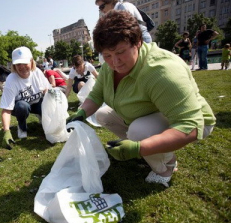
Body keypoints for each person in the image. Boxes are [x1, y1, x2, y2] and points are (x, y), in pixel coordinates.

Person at [67, 10, 216, 187]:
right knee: (102, 115)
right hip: (153, 112)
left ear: (137, 42)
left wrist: (140, 147)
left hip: (195, 120)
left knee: (138, 132)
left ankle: (166, 165)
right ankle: (152, 148)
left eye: (121, 52)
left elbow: (190, 125)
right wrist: (82, 112)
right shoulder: (109, 67)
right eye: (107, 55)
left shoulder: (161, 70)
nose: (115, 62)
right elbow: (96, 95)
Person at [0, 46, 50, 149]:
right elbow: (6, 109)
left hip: (37, 103)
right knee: (22, 106)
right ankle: (22, 126)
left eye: (25, 63)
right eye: (18, 64)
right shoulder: (11, 79)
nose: (22, 67)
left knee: (47, 103)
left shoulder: (37, 72)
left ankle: (42, 116)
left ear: (31, 62)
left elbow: (47, 90)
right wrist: (6, 131)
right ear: (14, 65)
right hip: (20, 107)